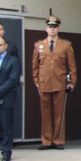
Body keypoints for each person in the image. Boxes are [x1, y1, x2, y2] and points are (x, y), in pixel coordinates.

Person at [31, 16, 77, 150]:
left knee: (59, 114)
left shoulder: (66, 45)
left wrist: (72, 82)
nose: (52, 29)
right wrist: (36, 81)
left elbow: (72, 65)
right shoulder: (39, 45)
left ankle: (58, 140)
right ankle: (46, 141)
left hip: (59, 82)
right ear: (46, 28)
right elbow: (35, 66)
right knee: (45, 114)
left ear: (58, 28)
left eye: (55, 27)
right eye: (50, 27)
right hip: (44, 83)